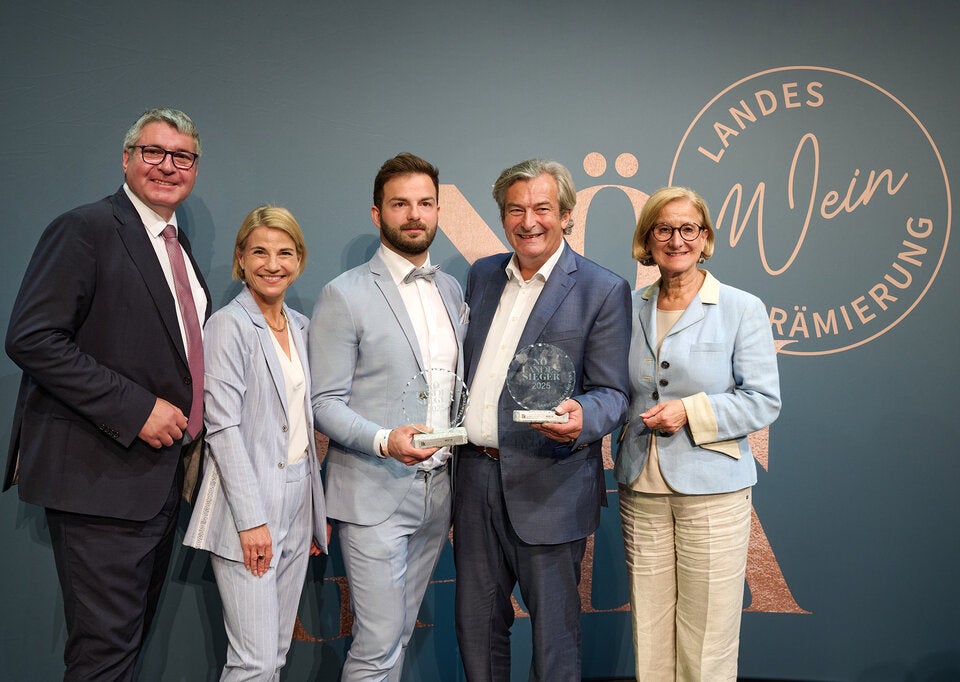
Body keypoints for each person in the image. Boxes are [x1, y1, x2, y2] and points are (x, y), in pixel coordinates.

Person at [3, 108, 209, 679]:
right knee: (104, 656)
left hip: (157, 482)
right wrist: (137, 408)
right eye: (154, 152)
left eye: (183, 157)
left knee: (121, 651)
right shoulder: (87, 227)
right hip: (101, 484)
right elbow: (32, 337)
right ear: (126, 158)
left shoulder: (177, 245)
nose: (168, 166)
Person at [454, 158, 631, 681]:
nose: (529, 221)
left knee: (554, 639)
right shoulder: (482, 275)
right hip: (475, 477)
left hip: (550, 480)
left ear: (567, 215)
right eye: (516, 210)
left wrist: (585, 416)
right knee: (476, 630)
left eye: (542, 209)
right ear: (503, 216)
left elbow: (613, 393)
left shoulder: (601, 288)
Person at [309, 153, 466, 680]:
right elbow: (322, 403)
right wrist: (383, 440)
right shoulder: (344, 294)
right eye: (400, 204)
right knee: (377, 643)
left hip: (437, 493)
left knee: (398, 634)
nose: (414, 214)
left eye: (425, 203)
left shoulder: (451, 290)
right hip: (372, 493)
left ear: (439, 210)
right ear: (378, 214)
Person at [614, 186, 781, 681]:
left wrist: (690, 411)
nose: (676, 239)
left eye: (689, 229)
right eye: (663, 229)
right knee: (650, 624)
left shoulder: (740, 307)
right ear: (647, 239)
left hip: (713, 488)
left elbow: (763, 401)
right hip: (640, 485)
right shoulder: (626, 305)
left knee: (708, 631)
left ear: (705, 238)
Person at [183, 206, 328, 680]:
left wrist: (309, 515)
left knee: (278, 654)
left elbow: (304, 428)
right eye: (259, 252)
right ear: (240, 259)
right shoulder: (228, 325)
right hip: (249, 508)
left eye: (285, 252)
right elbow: (221, 429)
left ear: (300, 260)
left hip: (297, 503)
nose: (272, 264)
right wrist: (252, 522)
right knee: (254, 662)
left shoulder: (303, 327)